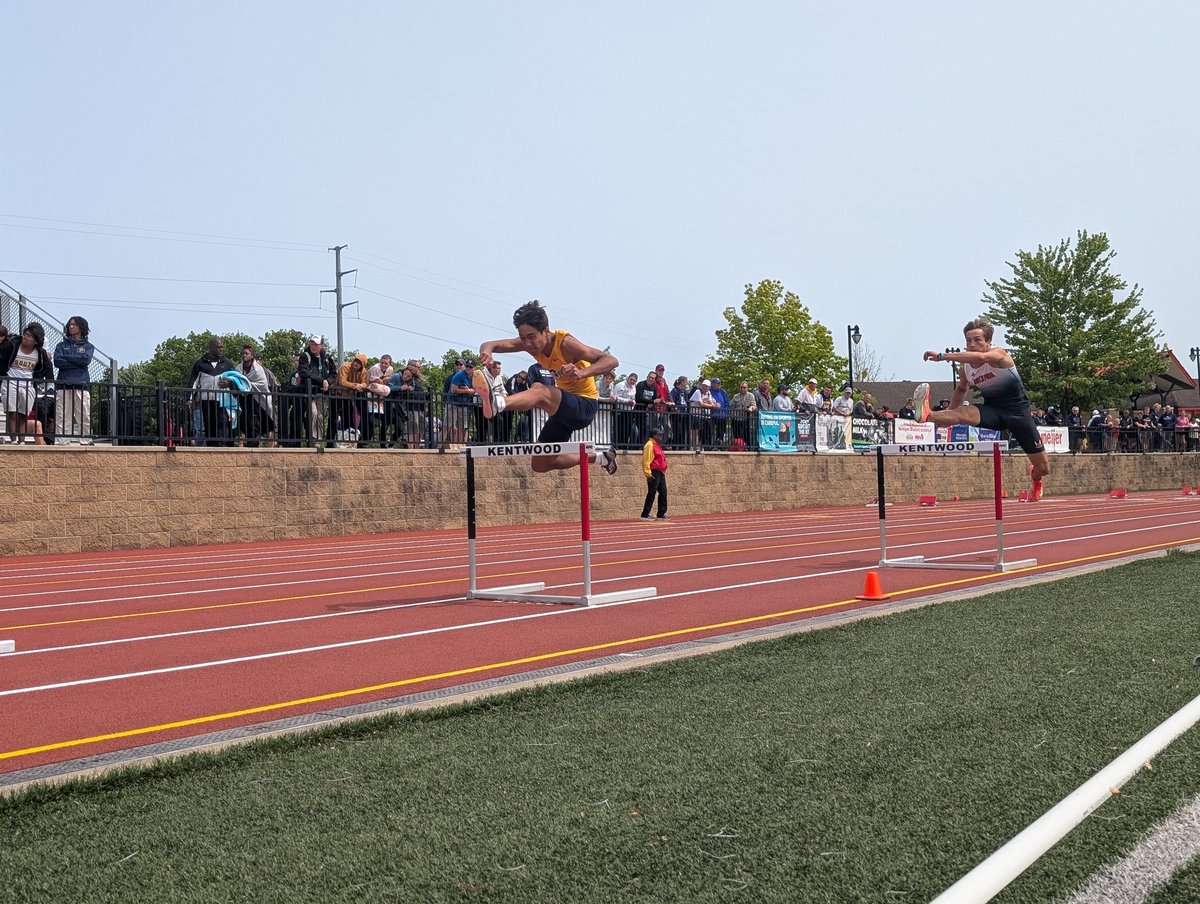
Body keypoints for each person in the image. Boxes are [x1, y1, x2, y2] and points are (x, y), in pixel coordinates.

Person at [916, 315, 1049, 501]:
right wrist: (949, 415)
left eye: (977, 340)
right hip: (994, 411)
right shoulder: (965, 369)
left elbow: (981, 357)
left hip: (1018, 414)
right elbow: (962, 388)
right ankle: (927, 414)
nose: (971, 344)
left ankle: (1035, 478)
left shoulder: (999, 355)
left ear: (988, 342)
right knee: (964, 412)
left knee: (1044, 468)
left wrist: (942, 356)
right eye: (968, 340)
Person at [477, 299, 619, 473]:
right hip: (563, 411)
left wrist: (583, 373)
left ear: (545, 331)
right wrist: (486, 352)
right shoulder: (527, 342)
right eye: (523, 338)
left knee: (540, 390)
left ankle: (498, 403)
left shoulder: (565, 344)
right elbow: (492, 344)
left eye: (531, 338)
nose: (528, 344)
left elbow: (611, 360)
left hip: (584, 406)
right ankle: (599, 457)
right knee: (541, 464)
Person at [1, 323, 54, 445]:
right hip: (10, 381)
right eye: (25, 334)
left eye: (29, 336)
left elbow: (47, 367)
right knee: (12, 412)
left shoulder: (40, 353)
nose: (25, 337)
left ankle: (22, 441)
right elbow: (2, 356)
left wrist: (36, 378)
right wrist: (3, 372)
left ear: (36, 340)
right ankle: (14, 440)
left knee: (23, 414)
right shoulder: (13, 345)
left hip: (28, 385)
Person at [53, 316, 95, 444]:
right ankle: (62, 441)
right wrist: (77, 360)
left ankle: (86, 440)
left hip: (81, 384)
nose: (71, 327)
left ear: (81, 327)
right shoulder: (61, 345)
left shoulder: (88, 346)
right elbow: (58, 361)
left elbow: (85, 361)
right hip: (63, 384)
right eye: (70, 324)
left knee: (84, 414)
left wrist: (69, 358)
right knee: (62, 415)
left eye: (74, 324)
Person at [188, 337, 236, 446]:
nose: (221, 350)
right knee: (209, 423)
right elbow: (193, 382)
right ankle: (211, 446)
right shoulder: (200, 363)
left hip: (223, 399)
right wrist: (189, 399)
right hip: (206, 399)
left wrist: (229, 383)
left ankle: (223, 445)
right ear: (211, 348)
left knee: (223, 422)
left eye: (222, 348)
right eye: (218, 347)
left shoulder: (227, 364)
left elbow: (235, 379)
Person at [638, 426, 669, 522]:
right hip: (653, 472)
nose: (661, 436)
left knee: (663, 492)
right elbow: (646, 461)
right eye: (659, 435)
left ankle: (661, 514)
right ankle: (645, 514)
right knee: (651, 493)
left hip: (660, 472)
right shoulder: (649, 445)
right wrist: (648, 474)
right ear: (654, 435)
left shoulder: (656, 444)